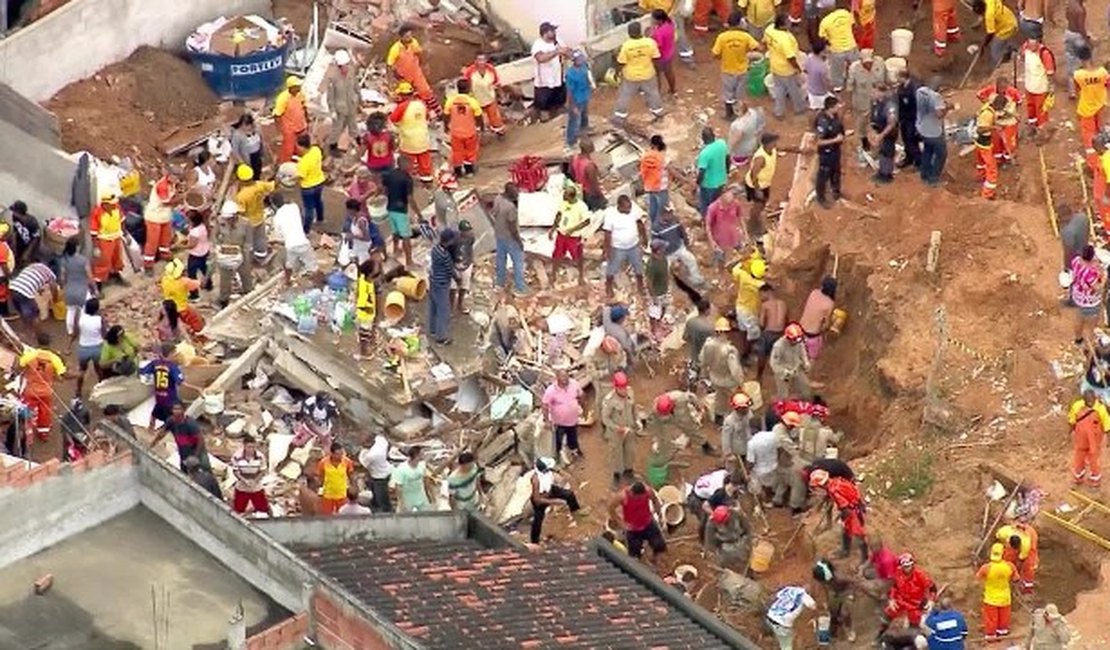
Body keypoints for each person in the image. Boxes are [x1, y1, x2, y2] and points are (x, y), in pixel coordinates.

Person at [612, 21, 663, 127]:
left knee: (625, 95)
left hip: (631, 76)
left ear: (629, 33)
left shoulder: (626, 46)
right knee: (653, 93)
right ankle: (658, 112)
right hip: (648, 74)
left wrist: (617, 73)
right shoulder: (650, 42)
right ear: (640, 31)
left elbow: (621, 62)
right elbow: (656, 58)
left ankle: (619, 117)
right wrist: (657, 72)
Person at [711, 13, 761, 121]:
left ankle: (729, 115)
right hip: (742, 70)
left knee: (728, 93)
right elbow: (758, 47)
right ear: (740, 23)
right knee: (740, 94)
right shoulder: (746, 37)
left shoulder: (722, 37)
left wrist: (723, 56)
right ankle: (741, 115)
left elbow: (715, 54)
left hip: (727, 70)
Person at [810, 468, 868, 560]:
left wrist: (842, 517)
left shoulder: (834, 491)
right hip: (857, 504)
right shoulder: (837, 480)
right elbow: (853, 489)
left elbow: (845, 508)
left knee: (857, 533)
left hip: (852, 511)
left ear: (821, 485)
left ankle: (864, 557)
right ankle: (846, 549)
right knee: (847, 530)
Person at [18, 334, 66, 444]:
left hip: (30, 391)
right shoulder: (55, 358)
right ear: (49, 343)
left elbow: (20, 366)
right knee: (45, 413)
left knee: (28, 412)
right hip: (46, 392)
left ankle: (28, 434)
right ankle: (43, 434)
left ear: (37, 342)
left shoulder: (30, 355)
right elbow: (61, 375)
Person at [879, 553, 938, 639]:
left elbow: (933, 588)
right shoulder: (898, 574)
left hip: (915, 604)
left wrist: (931, 600)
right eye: (905, 566)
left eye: (909, 566)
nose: (908, 568)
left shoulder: (920, 575)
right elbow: (894, 587)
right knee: (888, 613)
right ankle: (879, 635)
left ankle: (912, 638)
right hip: (901, 600)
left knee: (914, 624)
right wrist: (892, 599)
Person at [386, 26, 441, 117]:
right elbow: (389, 65)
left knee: (426, 92)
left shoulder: (413, 43)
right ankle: (407, 116)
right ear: (401, 37)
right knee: (404, 97)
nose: (409, 38)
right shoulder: (395, 49)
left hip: (416, 73)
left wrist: (424, 65)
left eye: (410, 35)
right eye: (407, 36)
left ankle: (437, 113)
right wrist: (391, 80)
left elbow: (419, 53)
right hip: (403, 77)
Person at [700, 318, 745, 424]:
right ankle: (730, 422)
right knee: (732, 401)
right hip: (728, 381)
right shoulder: (729, 350)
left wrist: (705, 374)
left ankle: (718, 418)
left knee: (719, 398)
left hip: (714, 377)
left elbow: (703, 361)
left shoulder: (708, 344)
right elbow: (735, 371)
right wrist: (741, 383)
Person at [603, 195, 647, 298]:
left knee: (638, 267)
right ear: (619, 206)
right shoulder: (611, 215)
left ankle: (640, 286)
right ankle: (608, 286)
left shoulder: (633, 210)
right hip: (618, 248)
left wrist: (644, 237)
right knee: (612, 268)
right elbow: (607, 234)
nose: (629, 210)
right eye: (626, 208)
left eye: (629, 207)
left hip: (633, 246)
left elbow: (640, 223)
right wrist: (607, 249)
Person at [529, 456, 582, 543]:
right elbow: (537, 500)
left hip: (550, 490)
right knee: (537, 521)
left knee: (569, 495)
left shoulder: (547, 470)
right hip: (541, 499)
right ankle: (534, 542)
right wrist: (554, 501)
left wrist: (564, 474)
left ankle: (576, 511)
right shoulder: (536, 480)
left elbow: (556, 470)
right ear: (544, 469)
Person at [389, 82, 434, 183]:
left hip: (408, 140)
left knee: (407, 161)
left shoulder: (402, 107)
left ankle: (408, 179)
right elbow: (427, 117)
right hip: (423, 138)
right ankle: (427, 178)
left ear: (403, 95)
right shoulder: (421, 104)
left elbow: (392, 119)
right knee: (424, 158)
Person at [762, 14, 806, 119]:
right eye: (788, 22)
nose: (790, 23)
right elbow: (790, 58)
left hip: (775, 66)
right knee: (793, 90)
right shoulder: (785, 39)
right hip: (787, 70)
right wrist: (798, 68)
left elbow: (763, 42)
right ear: (782, 26)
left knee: (779, 90)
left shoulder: (769, 29)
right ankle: (799, 109)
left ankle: (779, 112)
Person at [380, 157, 420, 269]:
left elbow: (384, 190)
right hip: (401, 210)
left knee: (395, 231)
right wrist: (418, 213)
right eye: (410, 164)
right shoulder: (407, 179)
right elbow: (410, 198)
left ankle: (395, 250)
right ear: (405, 164)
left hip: (390, 207)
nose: (411, 166)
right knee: (406, 236)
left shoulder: (390, 174)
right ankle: (409, 261)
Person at [611, 480, 667, 559]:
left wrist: (659, 514)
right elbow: (611, 508)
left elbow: (655, 501)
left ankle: (655, 560)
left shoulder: (648, 491)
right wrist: (621, 523)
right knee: (634, 554)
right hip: (633, 529)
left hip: (648, 523)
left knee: (659, 545)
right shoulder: (623, 496)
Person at [213, 200, 254, 308]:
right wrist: (217, 247)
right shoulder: (220, 221)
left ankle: (249, 295)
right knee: (225, 278)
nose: (227, 220)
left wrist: (243, 253)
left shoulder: (245, 223)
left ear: (236, 215)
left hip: (241, 253)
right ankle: (223, 299)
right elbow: (215, 236)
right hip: (226, 253)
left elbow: (248, 241)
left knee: (245, 275)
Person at [845, 49, 886, 155]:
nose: (868, 65)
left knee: (880, 120)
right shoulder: (854, 69)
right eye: (866, 63)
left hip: (878, 100)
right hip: (862, 101)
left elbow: (885, 80)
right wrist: (849, 105)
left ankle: (880, 141)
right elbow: (849, 88)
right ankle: (864, 141)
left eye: (870, 63)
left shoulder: (880, 63)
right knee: (862, 122)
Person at [601, 371, 638, 487]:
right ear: (615, 387)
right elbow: (605, 419)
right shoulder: (609, 400)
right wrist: (617, 428)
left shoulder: (630, 391)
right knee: (616, 453)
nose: (624, 391)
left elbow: (633, 407)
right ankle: (617, 475)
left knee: (630, 451)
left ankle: (629, 471)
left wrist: (636, 420)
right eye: (621, 388)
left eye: (625, 387)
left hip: (629, 429)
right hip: (616, 432)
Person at [233, 165, 276, 265]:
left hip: (249, 222)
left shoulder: (242, 196)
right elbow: (272, 186)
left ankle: (248, 261)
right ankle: (261, 257)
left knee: (248, 242)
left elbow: (241, 211)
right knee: (260, 239)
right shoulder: (260, 185)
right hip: (260, 217)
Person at [491, 182, 528, 295]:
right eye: (515, 192)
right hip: (510, 238)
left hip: (499, 234)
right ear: (510, 193)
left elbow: (494, 213)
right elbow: (512, 227)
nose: (517, 194)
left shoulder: (498, 198)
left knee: (501, 259)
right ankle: (520, 287)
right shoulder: (510, 207)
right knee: (518, 261)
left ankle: (500, 283)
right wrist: (519, 241)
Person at [1074, 45, 1107, 171]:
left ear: (1080, 58)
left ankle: (1093, 166)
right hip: (1100, 106)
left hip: (1086, 109)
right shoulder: (1102, 72)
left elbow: (1077, 91)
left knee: (1089, 138)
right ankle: (1104, 158)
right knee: (1100, 133)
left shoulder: (1079, 75)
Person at [543, 366, 584, 464]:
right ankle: (557, 455)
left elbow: (581, 395)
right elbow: (545, 405)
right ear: (557, 378)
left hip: (573, 420)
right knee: (558, 440)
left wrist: (583, 409)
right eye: (562, 377)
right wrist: (547, 420)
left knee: (573, 436)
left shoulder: (574, 384)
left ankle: (575, 450)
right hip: (559, 422)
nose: (565, 379)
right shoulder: (551, 391)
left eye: (566, 376)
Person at [140, 343, 186, 432]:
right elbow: (180, 381)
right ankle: (166, 432)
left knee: (156, 412)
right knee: (174, 417)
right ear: (171, 353)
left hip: (159, 396)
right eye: (175, 354)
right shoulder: (172, 367)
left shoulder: (155, 363)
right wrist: (196, 388)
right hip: (170, 398)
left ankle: (151, 428)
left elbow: (143, 371)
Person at [653, 210, 705, 286]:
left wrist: (687, 244)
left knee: (691, 260)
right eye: (668, 213)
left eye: (671, 213)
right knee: (663, 269)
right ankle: (665, 288)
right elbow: (655, 242)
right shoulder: (656, 227)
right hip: (667, 254)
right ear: (662, 215)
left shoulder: (675, 220)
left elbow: (682, 232)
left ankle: (696, 279)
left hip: (679, 248)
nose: (670, 215)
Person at [976, 76, 1021, 165]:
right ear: (996, 86)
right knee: (996, 143)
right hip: (996, 122)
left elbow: (1019, 102)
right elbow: (979, 94)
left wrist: (1013, 112)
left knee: (1009, 143)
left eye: (1004, 88)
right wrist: (987, 103)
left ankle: (1008, 158)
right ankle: (998, 160)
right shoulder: (990, 90)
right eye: (1000, 88)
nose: (1002, 90)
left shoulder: (1013, 92)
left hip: (1009, 122)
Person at [550, 185, 590, 286]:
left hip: (574, 237)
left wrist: (572, 230)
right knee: (557, 255)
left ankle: (581, 276)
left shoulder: (581, 206)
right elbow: (559, 215)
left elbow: (586, 221)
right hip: (561, 235)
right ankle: (553, 275)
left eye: (565, 195)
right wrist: (553, 228)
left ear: (571, 196)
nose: (563, 196)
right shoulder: (563, 203)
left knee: (577, 257)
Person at [1068, 388, 1109, 486]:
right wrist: (1069, 432)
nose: (1091, 402)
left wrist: (1108, 440)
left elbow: (1107, 425)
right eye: (1088, 400)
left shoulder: (1100, 408)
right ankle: (1078, 477)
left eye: (1092, 400)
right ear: (1084, 399)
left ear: (1095, 398)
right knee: (1079, 458)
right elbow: (1072, 420)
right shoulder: (1077, 406)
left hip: (1094, 439)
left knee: (1094, 459)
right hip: (1081, 438)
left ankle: (1095, 479)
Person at [977, 542, 1018, 639]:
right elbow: (1016, 579)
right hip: (1005, 597)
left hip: (991, 598)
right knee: (1004, 617)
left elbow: (978, 577)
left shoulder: (986, 567)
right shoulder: (1010, 566)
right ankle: (1003, 633)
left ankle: (991, 635)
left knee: (991, 618)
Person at [652, 390, 711, 456]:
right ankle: (667, 450)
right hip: (667, 418)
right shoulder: (656, 408)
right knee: (663, 432)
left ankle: (705, 445)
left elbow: (692, 397)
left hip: (682, 416)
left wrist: (698, 406)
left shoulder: (680, 397)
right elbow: (658, 425)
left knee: (691, 429)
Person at [444, 79, 484, 177]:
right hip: (470, 132)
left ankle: (458, 172)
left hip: (456, 132)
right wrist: (481, 127)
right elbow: (479, 116)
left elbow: (445, 115)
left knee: (457, 152)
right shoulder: (472, 102)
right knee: (470, 151)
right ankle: (469, 171)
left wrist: (446, 126)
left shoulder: (450, 101)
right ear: (468, 89)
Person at [154, 402, 210, 471]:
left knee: (204, 470)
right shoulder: (171, 421)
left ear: (184, 410)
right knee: (184, 472)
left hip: (197, 451)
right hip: (184, 452)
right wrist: (153, 443)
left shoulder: (190, 424)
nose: (176, 411)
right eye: (174, 409)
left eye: (179, 409)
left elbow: (200, 440)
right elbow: (162, 433)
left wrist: (195, 456)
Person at [532, 22, 570, 122]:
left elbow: (566, 51)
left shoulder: (558, 41)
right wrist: (556, 52)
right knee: (544, 102)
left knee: (559, 97)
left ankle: (560, 113)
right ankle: (544, 118)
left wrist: (566, 52)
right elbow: (540, 58)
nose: (554, 33)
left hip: (558, 77)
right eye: (551, 31)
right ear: (545, 33)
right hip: (544, 81)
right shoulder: (538, 45)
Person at [916, 77, 951, 186]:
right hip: (934, 131)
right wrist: (948, 108)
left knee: (928, 151)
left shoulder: (920, 91)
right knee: (941, 154)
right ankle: (933, 178)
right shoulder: (936, 97)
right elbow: (939, 114)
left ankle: (924, 174)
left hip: (922, 127)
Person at [10, 262, 59, 339]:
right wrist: (56, 300)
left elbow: (33, 280)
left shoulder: (34, 265)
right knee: (35, 315)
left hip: (13, 288)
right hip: (25, 292)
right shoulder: (51, 274)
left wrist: (39, 290)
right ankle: (41, 337)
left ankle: (25, 332)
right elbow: (54, 288)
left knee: (22, 312)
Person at [813, 559, 857, 643]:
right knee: (832, 611)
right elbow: (824, 588)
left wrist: (852, 595)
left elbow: (853, 582)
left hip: (846, 591)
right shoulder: (824, 580)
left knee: (845, 613)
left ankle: (849, 629)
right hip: (835, 593)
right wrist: (827, 600)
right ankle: (835, 626)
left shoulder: (839, 577)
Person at [58, 237, 95, 337]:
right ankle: (83, 331)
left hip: (69, 290)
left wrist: (63, 288)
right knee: (84, 312)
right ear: (77, 247)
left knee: (70, 311)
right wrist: (94, 289)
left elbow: (62, 277)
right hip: (82, 290)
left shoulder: (64, 260)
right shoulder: (83, 260)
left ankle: (70, 331)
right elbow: (90, 276)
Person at [326, 49, 360, 155]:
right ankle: (332, 147)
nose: (345, 68)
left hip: (351, 104)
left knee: (353, 125)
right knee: (337, 128)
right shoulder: (333, 78)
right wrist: (332, 111)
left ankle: (360, 143)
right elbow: (330, 97)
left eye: (346, 65)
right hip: (340, 108)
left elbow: (356, 86)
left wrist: (360, 99)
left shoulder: (351, 72)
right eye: (342, 66)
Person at [463, 53, 506, 138]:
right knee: (478, 121)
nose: (481, 62)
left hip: (490, 98)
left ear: (486, 61)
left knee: (495, 119)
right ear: (475, 61)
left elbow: (497, 84)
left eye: (483, 60)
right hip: (476, 100)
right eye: (479, 60)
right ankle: (479, 136)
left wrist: (502, 95)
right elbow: (464, 86)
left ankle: (500, 134)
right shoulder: (470, 72)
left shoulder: (491, 69)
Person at [731, 254, 766, 355]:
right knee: (754, 334)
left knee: (743, 329)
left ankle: (743, 345)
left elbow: (735, 268)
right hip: (750, 312)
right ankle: (745, 353)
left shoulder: (743, 275)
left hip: (740, 306)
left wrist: (747, 260)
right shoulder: (760, 285)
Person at [89, 193, 126, 288]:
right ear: (105, 204)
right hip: (104, 240)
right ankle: (99, 284)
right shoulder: (97, 213)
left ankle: (115, 275)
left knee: (117, 259)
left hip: (116, 238)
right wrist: (96, 247)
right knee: (103, 263)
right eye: (111, 204)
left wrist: (125, 235)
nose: (114, 205)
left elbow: (122, 220)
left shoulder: (116, 207)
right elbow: (93, 232)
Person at [814, 96, 846, 209]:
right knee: (823, 175)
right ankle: (820, 197)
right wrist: (835, 140)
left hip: (836, 151)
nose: (839, 107)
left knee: (836, 172)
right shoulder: (822, 122)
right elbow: (818, 142)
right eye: (837, 106)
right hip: (826, 153)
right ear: (830, 108)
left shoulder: (835, 116)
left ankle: (836, 192)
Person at [428, 229, 459, 345]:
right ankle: (441, 337)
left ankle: (432, 329)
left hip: (433, 280)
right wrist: (458, 279)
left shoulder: (435, 249)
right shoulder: (445, 255)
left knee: (433, 306)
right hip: (442, 284)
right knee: (443, 310)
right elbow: (450, 271)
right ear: (448, 241)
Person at [159, 259, 205, 335]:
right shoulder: (184, 281)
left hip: (169, 306)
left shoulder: (165, 279)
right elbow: (199, 284)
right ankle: (199, 335)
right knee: (196, 320)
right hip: (182, 307)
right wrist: (203, 281)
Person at [1070, 245, 1105, 345]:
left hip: (1078, 294)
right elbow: (1098, 288)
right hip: (1089, 300)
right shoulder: (1089, 273)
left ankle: (1078, 339)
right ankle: (1089, 344)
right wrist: (1104, 277)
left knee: (1079, 317)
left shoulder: (1076, 260)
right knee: (1092, 324)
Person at [819, 5, 858, 92]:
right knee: (856, 65)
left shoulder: (824, 22)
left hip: (837, 49)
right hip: (851, 45)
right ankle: (857, 81)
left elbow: (822, 37)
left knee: (836, 70)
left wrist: (829, 43)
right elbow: (854, 25)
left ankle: (838, 86)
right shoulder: (844, 13)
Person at [766, 585, 818, 649]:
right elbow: (813, 606)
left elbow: (776, 596)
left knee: (783, 637)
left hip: (770, 616)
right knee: (787, 646)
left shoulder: (789, 589)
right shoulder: (803, 595)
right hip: (782, 623)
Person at [1021, 36, 1056, 133]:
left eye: (1033, 45)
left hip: (1041, 88)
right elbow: (1023, 57)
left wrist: (1051, 87)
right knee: (1030, 107)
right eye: (1029, 44)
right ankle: (1032, 124)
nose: (1031, 47)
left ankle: (1042, 130)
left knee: (1041, 110)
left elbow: (1050, 72)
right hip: (1029, 85)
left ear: (1038, 43)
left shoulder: (1044, 54)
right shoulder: (1025, 48)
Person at [294, 135, 327, 233]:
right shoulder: (316, 150)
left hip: (308, 187)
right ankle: (320, 219)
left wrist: (289, 178)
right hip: (320, 182)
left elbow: (300, 176)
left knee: (308, 209)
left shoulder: (304, 162)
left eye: (297, 146)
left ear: (302, 147)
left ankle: (306, 230)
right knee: (318, 201)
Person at [72, 298, 104, 397]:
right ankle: (102, 388)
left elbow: (76, 332)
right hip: (97, 348)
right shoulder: (99, 319)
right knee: (99, 370)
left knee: (81, 370)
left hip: (84, 348)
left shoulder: (81, 319)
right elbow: (104, 333)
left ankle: (78, 391)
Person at [770, 323, 812, 398]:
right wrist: (784, 372)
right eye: (794, 340)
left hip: (796, 368)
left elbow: (803, 353)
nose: (796, 341)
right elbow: (774, 363)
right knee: (783, 395)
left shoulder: (799, 342)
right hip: (783, 372)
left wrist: (806, 362)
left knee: (805, 390)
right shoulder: (778, 346)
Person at [799, 277, 837, 362]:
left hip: (800, 331)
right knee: (811, 361)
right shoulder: (830, 303)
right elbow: (826, 325)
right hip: (812, 336)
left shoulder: (814, 293)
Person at [231, 435, 270, 515]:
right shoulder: (237, 456)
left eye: (253, 447)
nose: (251, 449)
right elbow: (236, 471)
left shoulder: (260, 456)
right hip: (242, 487)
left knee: (263, 509)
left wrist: (255, 481)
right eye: (249, 447)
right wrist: (245, 481)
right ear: (244, 446)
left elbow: (263, 471)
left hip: (256, 487)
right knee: (238, 510)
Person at [975, 0, 1019, 69]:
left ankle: (1000, 68)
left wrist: (983, 46)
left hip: (1008, 28)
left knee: (995, 49)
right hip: (1010, 18)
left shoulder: (989, 16)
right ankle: (1011, 50)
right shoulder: (989, 1)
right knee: (1001, 42)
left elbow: (991, 33)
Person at [997, 519, 1038, 592]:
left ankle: (1027, 588)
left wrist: (1016, 570)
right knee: (1007, 556)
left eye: (1016, 548)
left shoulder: (1026, 544)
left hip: (1029, 538)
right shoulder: (1004, 532)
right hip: (1010, 537)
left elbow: (1021, 558)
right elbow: (998, 537)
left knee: (1029, 565)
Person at [274, 76, 308, 162]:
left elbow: (304, 106)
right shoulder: (282, 98)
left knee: (301, 146)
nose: (299, 88)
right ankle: (285, 164)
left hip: (301, 125)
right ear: (291, 88)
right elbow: (277, 115)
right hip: (289, 129)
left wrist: (307, 119)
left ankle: (299, 158)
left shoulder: (300, 94)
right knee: (288, 149)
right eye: (297, 87)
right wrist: (280, 131)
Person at [357, 432, 393, 513]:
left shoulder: (372, 455)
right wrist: (386, 456)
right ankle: (374, 504)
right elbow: (388, 444)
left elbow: (363, 464)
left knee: (381, 495)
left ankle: (386, 510)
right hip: (383, 469)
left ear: (370, 443)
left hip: (379, 476)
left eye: (363, 444)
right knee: (373, 489)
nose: (362, 446)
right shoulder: (380, 440)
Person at [564, 50, 594, 149]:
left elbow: (588, 78)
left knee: (584, 116)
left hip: (584, 97)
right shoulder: (571, 74)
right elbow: (569, 92)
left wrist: (591, 87)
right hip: (576, 100)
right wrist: (573, 106)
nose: (581, 60)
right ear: (574, 60)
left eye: (582, 57)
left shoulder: (584, 67)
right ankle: (571, 141)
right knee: (574, 121)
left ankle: (584, 132)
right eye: (579, 58)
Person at [696, 127, 729, 215]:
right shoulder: (722, 143)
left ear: (703, 139)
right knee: (716, 202)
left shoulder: (705, 153)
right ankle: (715, 216)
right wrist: (727, 172)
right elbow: (728, 158)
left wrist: (698, 183)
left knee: (706, 204)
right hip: (721, 180)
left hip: (708, 184)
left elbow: (702, 172)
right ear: (714, 136)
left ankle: (706, 220)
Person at [757, 284, 787, 379]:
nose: (760, 297)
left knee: (762, 354)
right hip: (781, 333)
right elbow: (786, 320)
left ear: (767, 292)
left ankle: (759, 376)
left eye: (761, 294)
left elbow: (761, 323)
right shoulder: (783, 304)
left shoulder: (765, 305)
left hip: (768, 334)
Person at [316, 442, 355, 515]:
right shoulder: (323, 463)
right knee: (327, 517)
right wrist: (319, 490)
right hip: (328, 495)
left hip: (342, 495)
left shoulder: (347, 462)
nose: (340, 456)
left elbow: (351, 476)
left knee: (342, 516)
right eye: (338, 454)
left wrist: (353, 488)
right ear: (332, 453)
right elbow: (320, 477)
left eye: (341, 454)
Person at [390, 445, 432, 512]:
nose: (424, 455)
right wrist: (401, 503)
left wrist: (428, 495)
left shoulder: (422, 466)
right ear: (416, 455)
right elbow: (398, 487)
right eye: (422, 454)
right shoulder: (401, 469)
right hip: (407, 500)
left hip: (421, 498)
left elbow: (425, 481)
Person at [641, 135, 670, 228]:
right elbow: (671, 170)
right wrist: (685, 180)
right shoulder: (661, 157)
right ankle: (663, 232)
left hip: (650, 188)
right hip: (661, 188)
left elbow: (643, 172)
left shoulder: (645, 156)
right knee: (663, 213)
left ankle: (654, 231)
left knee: (653, 212)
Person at [728, 100, 766, 167]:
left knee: (736, 158)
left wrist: (728, 150)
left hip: (741, 150)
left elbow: (734, 141)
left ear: (736, 111)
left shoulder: (738, 125)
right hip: (753, 142)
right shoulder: (753, 113)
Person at [569, 140, 606, 210]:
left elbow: (571, 172)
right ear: (589, 149)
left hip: (580, 190)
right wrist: (601, 196)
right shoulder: (589, 166)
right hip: (590, 193)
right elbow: (594, 185)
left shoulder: (574, 158)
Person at [1064, 0, 1089, 100]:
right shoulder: (1081, 10)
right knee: (1084, 61)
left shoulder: (1070, 5)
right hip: (1078, 37)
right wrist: (1087, 39)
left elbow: (1066, 17)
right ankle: (1084, 86)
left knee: (1070, 61)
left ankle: (1072, 91)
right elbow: (1081, 28)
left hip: (1068, 33)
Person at [897, 70, 921, 169]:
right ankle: (909, 158)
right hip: (904, 118)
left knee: (912, 139)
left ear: (903, 77)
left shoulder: (914, 88)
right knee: (905, 139)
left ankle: (919, 161)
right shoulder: (901, 87)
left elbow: (918, 105)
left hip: (913, 118)